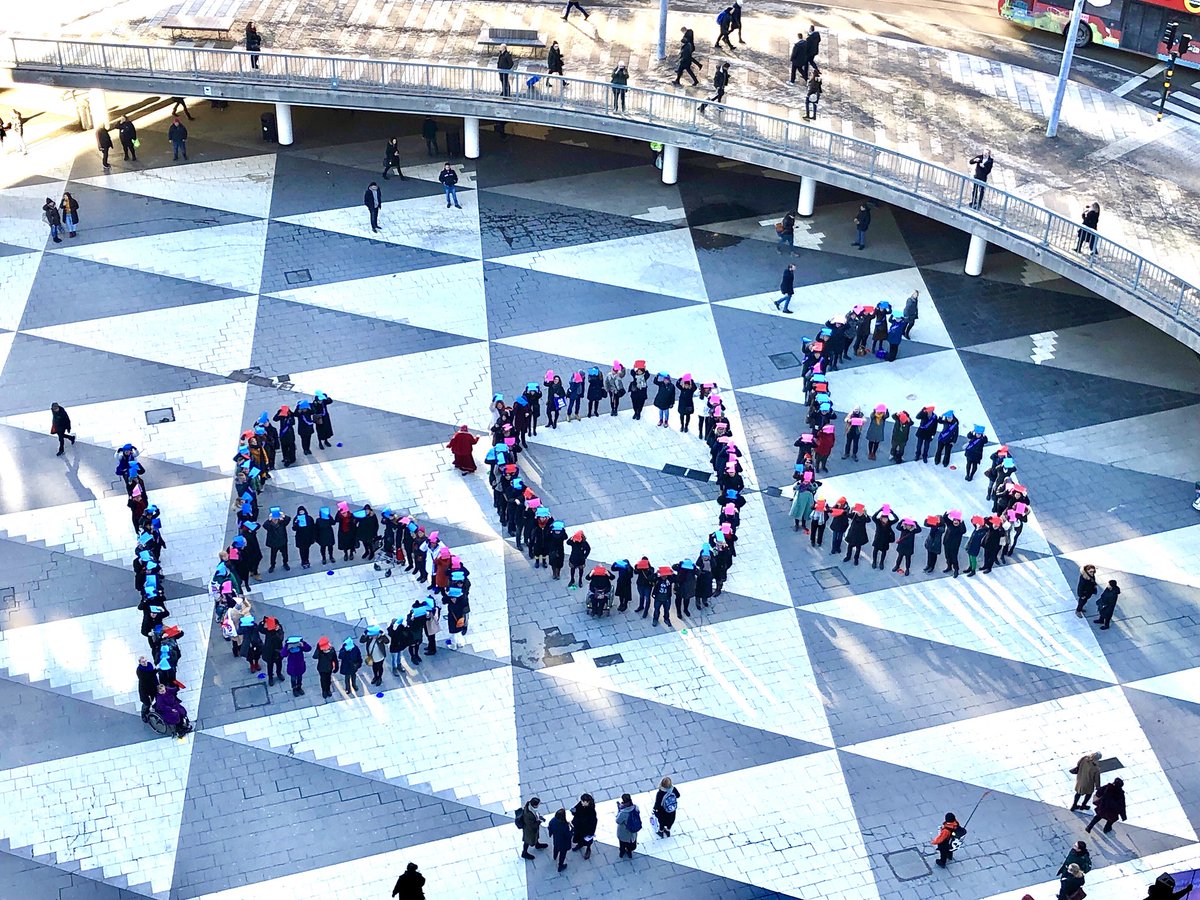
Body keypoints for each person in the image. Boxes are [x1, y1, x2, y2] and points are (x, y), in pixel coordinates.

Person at [570, 794, 597, 859]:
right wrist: (573, 811)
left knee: (587, 841)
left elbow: (593, 823)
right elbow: (575, 810)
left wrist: (591, 833)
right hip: (578, 827)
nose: (581, 802)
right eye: (581, 801)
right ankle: (580, 844)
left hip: (586, 830)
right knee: (578, 837)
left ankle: (588, 849)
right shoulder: (580, 804)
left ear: (588, 802)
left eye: (583, 801)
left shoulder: (592, 811)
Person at [615, 793, 641, 858]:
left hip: (624, 832)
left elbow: (618, 821)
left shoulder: (623, 813)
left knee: (622, 844)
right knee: (631, 844)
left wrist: (619, 810)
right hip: (633, 833)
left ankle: (622, 853)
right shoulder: (636, 807)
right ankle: (629, 852)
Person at [137, 656, 159, 722]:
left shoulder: (149, 665)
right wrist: (155, 671)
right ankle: (144, 714)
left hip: (154, 686)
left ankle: (154, 710)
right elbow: (147, 678)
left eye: (145, 661)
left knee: (157, 699)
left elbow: (153, 676)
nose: (145, 663)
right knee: (147, 703)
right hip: (145, 690)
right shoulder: (140, 670)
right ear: (140, 663)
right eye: (143, 662)